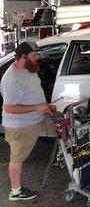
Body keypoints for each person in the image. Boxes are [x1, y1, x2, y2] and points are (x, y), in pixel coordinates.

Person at [0, 42, 51, 201]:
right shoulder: (11, 79)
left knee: (63, 126)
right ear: (23, 57)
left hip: (36, 118)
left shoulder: (29, 67)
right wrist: (38, 106)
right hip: (20, 126)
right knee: (17, 158)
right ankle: (15, 192)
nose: (37, 58)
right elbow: (10, 108)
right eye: (34, 55)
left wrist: (44, 106)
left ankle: (60, 159)